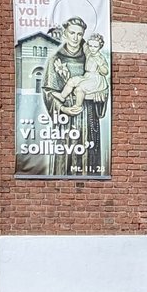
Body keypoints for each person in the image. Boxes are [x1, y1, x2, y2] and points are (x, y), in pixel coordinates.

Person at [41, 17, 108, 175]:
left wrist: (101, 96)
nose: (75, 37)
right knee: (64, 159)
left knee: (88, 159)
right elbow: (48, 91)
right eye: (72, 33)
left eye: (79, 34)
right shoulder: (55, 59)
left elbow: (102, 81)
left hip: (88, 116)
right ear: (65, 33)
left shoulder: (90, 55)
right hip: (65, 120)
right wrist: (63, 108)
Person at [53, 32, 109, 113]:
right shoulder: (89, 52)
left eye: (95, 46)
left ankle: (78, 106)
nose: (92, 48)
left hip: (96, 80)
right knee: (72, 81)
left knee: (80, 88)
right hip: (87, 76)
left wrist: (100, 65)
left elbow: (105, 72)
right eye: (91, 46)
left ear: (100, 46)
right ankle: (62, 96)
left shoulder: (100, 58)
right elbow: (83, 44)